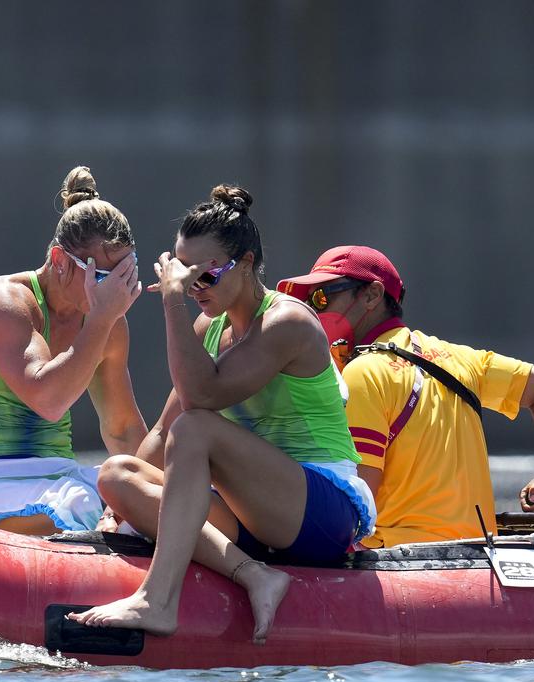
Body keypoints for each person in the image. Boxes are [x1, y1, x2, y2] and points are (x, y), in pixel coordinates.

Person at [69, 185, 375, 643]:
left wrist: (170, 301)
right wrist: (121, 509)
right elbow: (161, 430)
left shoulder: (287, 323)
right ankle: (254, 575)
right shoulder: (208, 328)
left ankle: (158, 601)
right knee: (117, 474)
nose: (192, 288)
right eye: (181, 274)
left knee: (196, 429)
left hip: (322, 509)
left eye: (204, 276)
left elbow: (200, 400)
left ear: (247, 264)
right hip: (252, 518)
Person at [276, 245, 534, 548]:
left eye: (322, 297)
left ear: (371, 295)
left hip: (398, 563)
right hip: (480, 560)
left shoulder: (363, 372)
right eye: (306, 301)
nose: (314, 310)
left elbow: (354, 510)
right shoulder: (460, 359)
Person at [0, 166, 147, 535]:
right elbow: (48, 401)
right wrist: (100, 320)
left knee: (156, 491)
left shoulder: (108, 321)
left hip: (60, 479)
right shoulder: (3, 303)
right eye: (103, 277)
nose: (115, 290)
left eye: (124, 275)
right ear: (59, 260)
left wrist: (154, 492)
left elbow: (124, 428)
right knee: (82, 502)